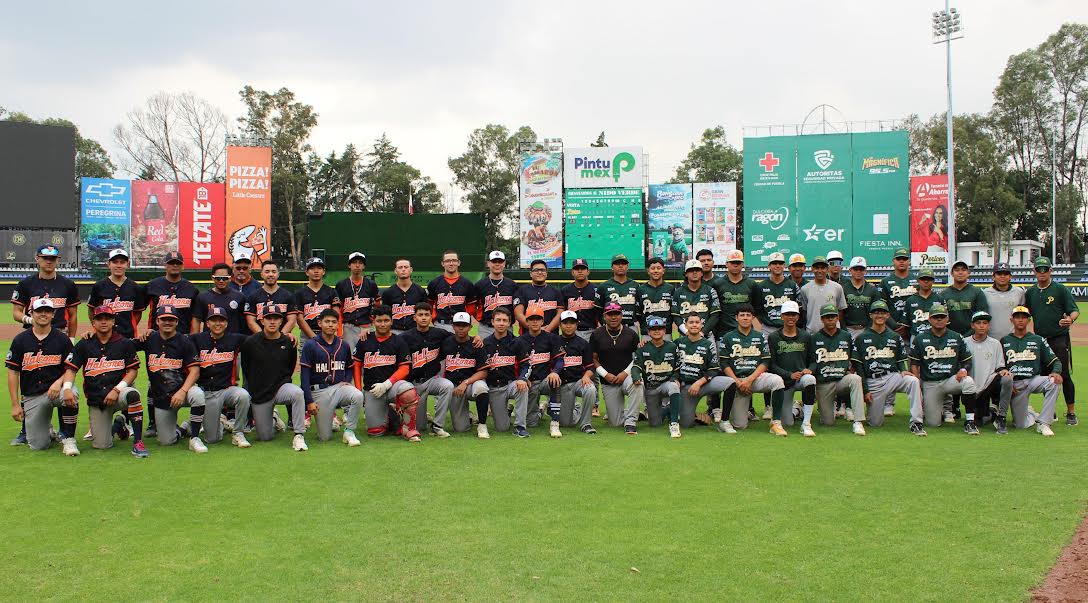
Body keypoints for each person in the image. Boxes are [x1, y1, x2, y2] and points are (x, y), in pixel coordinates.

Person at [61, 305, 148, 457]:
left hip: (118, 394)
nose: (103, 322)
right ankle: (119, 425)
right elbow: (71, 368)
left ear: (113, 321)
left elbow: (132, 371)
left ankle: (138, 443)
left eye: (107, 318)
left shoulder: (124, 343)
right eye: (99, 319)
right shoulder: (84, 344)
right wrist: (67, 388)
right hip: (97, 400)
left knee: (133, 395)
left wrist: (117, 390)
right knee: (102, 445)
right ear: (93, 322)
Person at [5, 299, 79, 455]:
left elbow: (71, 368)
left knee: (71, 392)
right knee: (39, 445)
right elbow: (12, 371)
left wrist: (59, 383)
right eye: (39, 311)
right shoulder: (20, 340)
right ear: (31, 313)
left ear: (53, 314)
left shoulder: (62, 339)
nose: (43, 314)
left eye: (47, 311)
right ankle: (48, 431)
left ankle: (69, 438)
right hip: (33, 396)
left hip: (55, 391)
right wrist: (15, 404)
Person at [136, 305, 206, 452]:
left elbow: (195, 371)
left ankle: (194, 437)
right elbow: (122, 345)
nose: (167, 322)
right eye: (164, 319)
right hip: (162, 397)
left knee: (198, 394)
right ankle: (183, 428)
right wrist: (92, 336)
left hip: (184, 391)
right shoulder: (149, 339)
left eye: (171, 320)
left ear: (177, 322)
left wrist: (183, 391)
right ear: (157, 321)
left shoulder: (185, 341)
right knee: (166, 441)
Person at [239, 304, 308, 450]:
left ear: (281, 321)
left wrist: (281, 383)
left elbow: (289, 368)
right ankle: (274, 417)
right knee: (265, 437)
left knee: (297, 393)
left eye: (276, 318)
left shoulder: (288, 342)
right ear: (262, 321)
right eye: (268, 318)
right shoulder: (250, 342)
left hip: (281, 388)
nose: (272, 322)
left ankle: (299, 435)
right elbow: (246, 368)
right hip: (260, 392)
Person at [851, 300, 925, 436]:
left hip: (892, 376)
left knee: (913, 381)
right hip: (873, 381)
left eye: (883, 313)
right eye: (876, 312)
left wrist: (903, 369)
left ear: (887, 315)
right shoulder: (861, 338)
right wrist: (865, 390)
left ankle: (916, 422)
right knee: (875, 423)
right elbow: (858, 366)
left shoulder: (895, 337)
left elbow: (901, 358)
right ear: (871, 315)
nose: (880, 315)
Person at [352, 305, 422, 442]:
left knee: (407, 391)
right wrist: (359, 390)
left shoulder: (398, 340)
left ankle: (410, 428)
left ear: (391, 321)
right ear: (373, 321)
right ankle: (392, 415)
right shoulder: (365, 339)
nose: (382, 324)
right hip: (372, 390)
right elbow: (357, 365)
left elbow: (405, 369)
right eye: (379, 321)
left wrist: (387, 384)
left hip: (392, 387)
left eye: (386, 320)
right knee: (375, 432)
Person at [1023, 256, 1079, 426]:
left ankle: (1071, 412)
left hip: (1059, 338)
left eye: (1045, 269)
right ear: (1034, 272)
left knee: (1063, 375)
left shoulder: (1060, 289)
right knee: (1043, 376)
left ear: (1050, 271)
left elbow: (1074, 310)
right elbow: (1025, 314)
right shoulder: (1031, 292)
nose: (1042, 273)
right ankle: (1050, 411)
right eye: (1038, 270)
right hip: (1040, 340)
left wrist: (1070, 319)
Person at [909, 304, 978, 432]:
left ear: (947, 319)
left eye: (942, 317)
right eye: (936, 317)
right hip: (930, 383)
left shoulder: (956, 337)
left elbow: (967, 360)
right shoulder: (920, 338)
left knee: (968, 382)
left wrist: (964, 370)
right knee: (933, 423)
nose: (939, 320)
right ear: (929, 319)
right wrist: (919, 385)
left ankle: (970, 421)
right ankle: (939, 409)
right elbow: (914, 363)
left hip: (950, 380)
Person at [720, 303, 787, 436]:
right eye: (742, 315)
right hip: (737, 381)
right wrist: (739, 383)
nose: (745, 318)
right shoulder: (727, 337)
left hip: (756, 378)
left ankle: (776, 422)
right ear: (736, 318)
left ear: (753, 318)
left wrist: (750, 380)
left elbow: (765, 361)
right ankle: (745, 412)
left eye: (748, 315)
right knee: (740, 425)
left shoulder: (760, 336)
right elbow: (724, 363)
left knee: (778, 381)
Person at [299, 308, 364, 446]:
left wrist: (346, 381)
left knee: (357, 395)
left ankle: (349, 431)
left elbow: (350, 367)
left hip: (339, 387)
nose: (330, 325)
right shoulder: (310, 345)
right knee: (324, 437)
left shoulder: (344, 345)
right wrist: (309, 401)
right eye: (327, 321)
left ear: (338, 324)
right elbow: (304, 376)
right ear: (319, 323)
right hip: (319, 392)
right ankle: (330, 419)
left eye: (334, 322)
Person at [996, 306, 1063, 436]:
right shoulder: (1004, 341)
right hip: (1016, 385)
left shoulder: (1038, 340)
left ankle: (1044, 423)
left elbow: (1056, 361)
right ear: (1012, 320)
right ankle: (1031, 413)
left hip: (1034, 380)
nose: (1020, 320)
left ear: (1029, 320)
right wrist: (1008, 384)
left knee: (1054, 382)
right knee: (1021, 425)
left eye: (1024, 318)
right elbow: (999, 366)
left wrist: (1056, 371)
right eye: (1017, 317)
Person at [190, 307, 251, 447]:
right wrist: (152, 333)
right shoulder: (196, 339)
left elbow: (259, 340)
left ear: (227, 323)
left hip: (227, 390)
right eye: (214, 320)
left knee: (243, 395)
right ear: (207, 323)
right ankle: (204, 422)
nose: (218, 324)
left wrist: (285, 335)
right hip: (206, 392)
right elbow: (176, 339)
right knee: (213, 439)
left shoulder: (236, 339)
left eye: (221, 320)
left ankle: (238, 433)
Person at [808, 303, 866, 435]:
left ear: (837, 318)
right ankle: (802, 405)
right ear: (822, 319)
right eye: (827, 317)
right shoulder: (814, 338)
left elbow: (855, 356)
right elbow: (811, 361)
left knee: (855, 379)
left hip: (841, 380)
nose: (830, 319)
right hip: (824, 383)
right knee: (828, 422)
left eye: (833, 316)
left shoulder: (846, 336)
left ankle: (858, 422)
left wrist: (851, 371)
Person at [400, 302, 456, 438]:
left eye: (427, 315)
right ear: (414, 318)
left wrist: (476, 338)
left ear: (432, 317)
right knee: (419, 427)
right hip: (413, 384)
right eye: (420, 315)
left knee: (447, 385)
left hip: (431, 380)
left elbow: (459, 338)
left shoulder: (440, 333)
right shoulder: (405, 337)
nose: (423, 318)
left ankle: (437, 426)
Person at [675, 313, 735, 431]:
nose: (694, 325)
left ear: (702, 325)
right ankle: (693, 414)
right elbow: (672, 365)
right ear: (685, 325)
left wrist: (699, 383)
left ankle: (724, 421)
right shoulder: (677, 343)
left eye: (697, 322)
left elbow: (714, 369)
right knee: (686, 424)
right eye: (691, 322)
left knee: (731, 383)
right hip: (687, 388)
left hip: (705, 384)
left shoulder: (708, 344)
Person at [590, 303, 641, 434]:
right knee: (616, 423)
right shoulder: (596, 334)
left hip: (627, 377)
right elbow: (594, 358)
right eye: (610, 314)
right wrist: (605, 374)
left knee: (638, 384)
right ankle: (629, 412)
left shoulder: (631, 334)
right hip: (608, 381)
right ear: (604, 316)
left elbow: (638, 358)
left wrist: (625, 373)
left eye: (616, 314)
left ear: (621, 315)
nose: (613, 317)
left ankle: (631, 421)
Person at [515, 306, 564, 437]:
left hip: (545, 381)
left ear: (542, 321)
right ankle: (541, 410)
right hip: (529, 384)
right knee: (531, 423)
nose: (535, 322)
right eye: (532, 319)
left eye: (538, 319)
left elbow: (560, 360)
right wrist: (522, 378)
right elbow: (515, 365)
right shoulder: (520, 340)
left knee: (556, 381)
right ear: (527, 321)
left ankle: (555, 423)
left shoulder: (551, 338)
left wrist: (555, 372)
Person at [767, 301, 816, 435]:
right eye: (788, 314)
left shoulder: (805, 336)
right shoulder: (774, 337)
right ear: (782, 316)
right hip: (784, 382)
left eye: (794, 314)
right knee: (787, 423)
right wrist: (789, 375)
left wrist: (809, 369)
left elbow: (813, 360)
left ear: (798, 316)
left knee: (810, 379)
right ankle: (796, 409)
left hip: (801, 379)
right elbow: (771, 365)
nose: (791, 317)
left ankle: (806, 424)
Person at [11, 244, 81, 336]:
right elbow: (16, 312)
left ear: (57, 260)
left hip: (59, 333)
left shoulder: (68, 284)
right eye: (45, 258)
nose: (49, 261)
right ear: (37, 258)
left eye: (52, 258)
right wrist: (31, 320)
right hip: (32, 331)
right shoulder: (25, 284)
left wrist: (71, 339)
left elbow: (73, 316)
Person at [631, 316, 683, 437]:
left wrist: (674, 378)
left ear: (664, 331)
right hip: (651, 388)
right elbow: (636, 366)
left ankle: (674, 423)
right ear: (648, 332)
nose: (657, 331)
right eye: (653, 329)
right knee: (655, 423)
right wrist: (635, 377)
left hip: (666, 384)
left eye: (660, 328)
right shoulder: (643, 348)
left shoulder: (672, 347)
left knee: (674, 387)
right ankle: (669, 409)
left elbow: (678, 366)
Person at [440, 312, 491, 437]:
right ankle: (468, 416)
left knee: (481, 387)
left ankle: (482, 425)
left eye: (464, 325)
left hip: (471, 385)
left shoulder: (476, 344)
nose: (461, 328)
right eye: (458, 325)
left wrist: (466, 382)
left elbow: (484, 372)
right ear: (453, 326)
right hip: (455, 389)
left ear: (470, 327)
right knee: (461, 428)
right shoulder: (445, 343)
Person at [962, 310, 1012, 432]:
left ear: (989, 326)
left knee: (1007, 378)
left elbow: (1000, 366)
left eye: (985, 323)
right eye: (978, 323)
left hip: (989, 386)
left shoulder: (995, 344)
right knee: (979, 421)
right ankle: (990, 411)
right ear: (972, 325)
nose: (982, 325)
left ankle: (1001, 416)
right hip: (970, 387)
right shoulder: (964, 342)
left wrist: (1004, 371)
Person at [482, 307, 529, 435]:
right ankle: (506, 410)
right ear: (492, 322)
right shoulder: (485, 343)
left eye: (504, 320)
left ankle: (520, 427)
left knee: (522, 388)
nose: (501, 323)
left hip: (511, 384)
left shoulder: (517, 342)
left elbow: (526, 364)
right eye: (498, 320)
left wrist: (522, 378)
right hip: (494, 387)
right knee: (502, 428)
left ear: (509, 323)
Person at [552, 310, 597, 436]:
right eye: (565, 322)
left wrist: (587, 376)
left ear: (577, 324)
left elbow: (590, 367)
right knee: (566, 423)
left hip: (577, 382)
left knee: (591, 389)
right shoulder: (553, 342)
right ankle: (572, 408)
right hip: (560, 385)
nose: (568, 325)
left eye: (572, 322)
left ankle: (586, 424)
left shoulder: (583, 343)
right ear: (560, 325)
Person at [87, 249, 145, 338]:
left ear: (127, 264)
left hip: (128, 337)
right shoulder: (99, 286)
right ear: (109, 264)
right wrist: (97, 328)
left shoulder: (135, 287)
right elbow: (91, 310)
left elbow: (137, 313)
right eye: (115, 262)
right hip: (104, 337)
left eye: (122, 262)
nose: (118, 265)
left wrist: (128, 327)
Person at [145, 251, 198, 335]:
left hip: (183, 337)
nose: (175, 265)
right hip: (157, 336)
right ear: (165, 265)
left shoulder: (191, 289)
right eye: (171, 263)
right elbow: (139, 309)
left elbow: (196, 317)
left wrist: (193, 336)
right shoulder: (152, 285)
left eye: (178, 263)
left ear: (183, 266)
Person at [335, 252, 380, 351]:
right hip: (348, 327)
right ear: (349, 265)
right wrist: (339, 331)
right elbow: (338, 309)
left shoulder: (371, 284)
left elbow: (377, 306)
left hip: (366, 327)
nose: (357, 265)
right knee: (349, 359)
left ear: (364, 266)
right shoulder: (341, 285)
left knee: (368, 358)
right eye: (354, 262)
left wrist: (371, 324)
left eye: (360, 262)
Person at [427, 250, 478, 333]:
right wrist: (432, 318)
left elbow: (471, 307)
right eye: (447, 261)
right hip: (440, 325)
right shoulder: (434, 283)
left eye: (454, 260)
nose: (451, 263)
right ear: (442, 263)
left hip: (461, 325)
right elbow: (429, 304)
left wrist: (467, 322)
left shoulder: (467, 284)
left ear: (459, 263)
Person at [243, 260, 298, 337]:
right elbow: (251, 322)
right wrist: (263, 337)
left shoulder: (288, 296)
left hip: (281, 339)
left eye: (274, 271)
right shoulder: (253, 296)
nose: (271, 274)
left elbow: (292, 320)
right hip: (260, 341)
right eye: (267, 271)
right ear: (261, 274)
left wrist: (279, 336)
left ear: (278, 274)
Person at [294, 257, 340, 347]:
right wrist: (313, 337)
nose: (316, 271)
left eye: (319, 268)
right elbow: (299, 318)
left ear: (323, 271)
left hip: (327, 334)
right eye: (312, 268)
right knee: (306, 361)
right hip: (306, 335)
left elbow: (335, 314)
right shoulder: (300, 293)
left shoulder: (331, 291)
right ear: (307, 272)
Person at [751, 252, 800, 336]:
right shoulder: (761, 286)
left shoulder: (792, 285)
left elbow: (799, 307)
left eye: (780, 263)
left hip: (788, 328)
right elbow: (756, 309)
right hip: (768, 328)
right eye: (774, 263)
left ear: (784, 266)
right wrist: (763, 323)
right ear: (769, 266)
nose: (777, 266)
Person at [474, 251, 518, 341]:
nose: (497, 264)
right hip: (486, 328)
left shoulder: (512, 285)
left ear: (504, 263)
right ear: (488, 263)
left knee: (507, 354)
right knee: (484, 353)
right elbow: (473, 306)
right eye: (494, 261)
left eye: (500, 261)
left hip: (507, 328)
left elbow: (517, 308)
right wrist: (479, 319)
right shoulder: (480, 285)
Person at [191, 263, 245, 334]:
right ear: (212, 278)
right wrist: (195, 340)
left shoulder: (239, 296)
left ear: (230, 278)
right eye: (218, 278)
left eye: (225, 278)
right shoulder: (202, 297)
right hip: (209, 341)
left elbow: (244, 321)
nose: (221, 281)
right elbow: (197, 320)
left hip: (233, 341)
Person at [672, 259, 720, 339]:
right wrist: (686, 332)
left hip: (706, 335)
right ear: (686, 274)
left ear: (701, 273)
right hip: (684, 336)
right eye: (691, 270)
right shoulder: (678, 292)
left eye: (697, 270)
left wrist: (703, 332)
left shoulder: (710, 291)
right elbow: (676, 316)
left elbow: (715, 315)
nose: (694, 272)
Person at [797, 256, 847, 334]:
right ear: (812, 269)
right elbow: (805, 312)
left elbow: (840, 311)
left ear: (827, 269)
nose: (819, 271)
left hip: (833, 333)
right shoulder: (805, 289)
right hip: (812, 333)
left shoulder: (837, 287)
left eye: (823, 268)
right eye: (817, 268)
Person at [380, 258, 429, 336]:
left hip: (415, 331)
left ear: (411, 270)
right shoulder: (388, 292)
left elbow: (426, 313)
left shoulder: (420, 291)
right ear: (395, 271)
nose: (403, 269)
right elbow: (384, 315)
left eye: (406, 267)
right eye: (400, 267)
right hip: (394, 331)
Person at [514, 259, 562, 333]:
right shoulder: (522, 290)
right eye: (536, 270)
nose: (540, 272)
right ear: (530, 273)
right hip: (528, 336)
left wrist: (548, 329)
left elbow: (560, 314)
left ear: (546, 273)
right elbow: (518, 314)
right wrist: (535, 329)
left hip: (551, 335)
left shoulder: (556, 291)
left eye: (542, 270)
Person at [943, 261, 989, 336]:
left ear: (968, 273)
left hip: (973, 336)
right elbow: (941, 319)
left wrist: (970, 334)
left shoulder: (977, 292)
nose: (960, 272)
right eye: (957, 270)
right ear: (951, 273)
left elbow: (982, 317)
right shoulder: (944, 294)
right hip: (950, 337)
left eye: (963, 270)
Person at [594, 254, 639, 329]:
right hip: (609, 327)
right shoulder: (603, 286)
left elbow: (639, 310)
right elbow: (597, 310)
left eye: (623, 263)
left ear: (627, 266)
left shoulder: (635, 285)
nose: (620, 266)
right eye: (617, 263)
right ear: (612, 267)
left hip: (630, 326)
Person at [879, 248, 915, 340]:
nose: (901, 261)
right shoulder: (885, 282)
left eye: (905, 259)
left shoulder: (917, 280)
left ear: (909, 261)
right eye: (898, 259)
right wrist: (894, 325)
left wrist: (908, 325)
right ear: (893, 261)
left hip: (914, 326)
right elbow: (882, 307)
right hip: (892, 327)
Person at [982, 262, 1024, 342]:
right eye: (999, 274)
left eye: (1005, 274)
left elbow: (1024, 317)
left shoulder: (1019, 292)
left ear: (1010, 276)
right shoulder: (985, 293)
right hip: (991, 339)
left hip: (1013, 339)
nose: (1002, 276)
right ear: (993, 277)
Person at [842, 257, 881, 339]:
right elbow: (840, 312)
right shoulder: (843, 288)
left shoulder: (872, 289)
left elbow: (876, 312)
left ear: (865, 271)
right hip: (848, 329)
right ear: (850, 270)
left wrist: (869, 329)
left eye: (861, 269)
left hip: (866, 328)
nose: (858, 271)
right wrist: (844, 330)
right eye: (855, 269)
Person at [560, 258, 598, 340]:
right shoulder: (565, 290)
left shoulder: (596, 290)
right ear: (572, 272)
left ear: (588, 271)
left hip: (592, 331)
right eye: (577, 269)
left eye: (583, 268)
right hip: (572, 331)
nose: (580, 271)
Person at [903, 268, 944, 345]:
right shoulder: (910, 300)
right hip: (916, 336)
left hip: (936, 337)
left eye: (929, 279)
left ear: (933, 281)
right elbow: (906, 325)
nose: (926, 281)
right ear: (918, 281)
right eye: (923, 279)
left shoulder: (939, 299)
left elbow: (945, 321)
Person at [637, 257, 673, 340]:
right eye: (652, 268)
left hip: (666, 332)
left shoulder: (670, 288)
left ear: (663, 270)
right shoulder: (641, 289)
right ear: (648, 271)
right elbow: (638, 313)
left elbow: (673, 312)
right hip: (647, 333)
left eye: (659, 268)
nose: (656, 271)